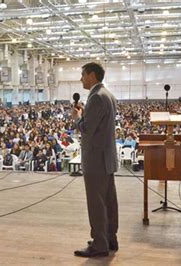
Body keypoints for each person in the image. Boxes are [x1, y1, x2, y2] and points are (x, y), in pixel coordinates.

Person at [71, 62, 119, 258]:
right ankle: (110, 238)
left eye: (83, 75)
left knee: (96, 202)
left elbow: (87, 130)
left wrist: (77, 117)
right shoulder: (108, 95)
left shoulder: (96, 97)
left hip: (96, 159)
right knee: (109, 200)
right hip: (106, 158)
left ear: (91, 75)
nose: (81, 78)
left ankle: (100, 244)